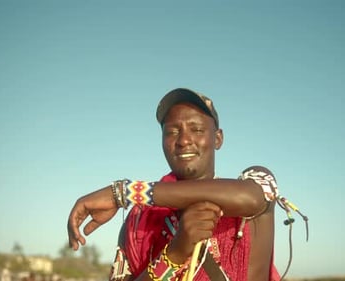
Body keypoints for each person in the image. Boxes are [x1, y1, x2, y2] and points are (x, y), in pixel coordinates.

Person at [67, 88, 284, 281]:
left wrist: (124, 192)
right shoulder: (138, 221)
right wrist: (174, 255)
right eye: (172, 132)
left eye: (196, 129)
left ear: (217, 139)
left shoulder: (253, 186)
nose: (183, 140)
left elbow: (253, 198)